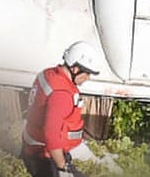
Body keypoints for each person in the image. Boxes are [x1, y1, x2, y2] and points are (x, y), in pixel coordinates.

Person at [20, 41, 103, 177]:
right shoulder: (62, 94)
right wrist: (62, 168)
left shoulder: (48, 74)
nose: (88, 78)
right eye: (87, 73)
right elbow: (51, 134)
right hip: (44, 155)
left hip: (33, 146)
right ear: (75, 68)